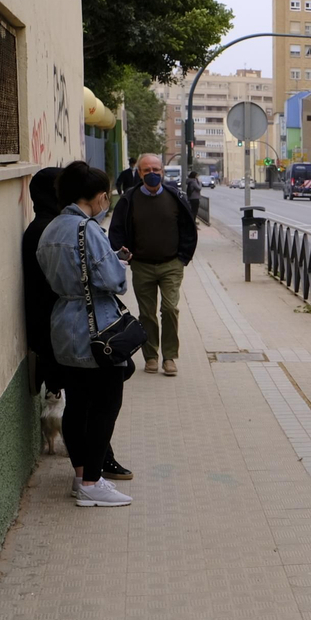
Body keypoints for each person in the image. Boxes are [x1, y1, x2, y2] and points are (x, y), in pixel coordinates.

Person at [23, 167, 133, 481]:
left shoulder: (50, 229)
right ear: (99, 196)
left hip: (63, 325)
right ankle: (92, 482)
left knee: (78, 404)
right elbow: (113, 280)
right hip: (93, 326)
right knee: (105, 406)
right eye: (106, 195)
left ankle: (81, 475)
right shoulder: (88, 229)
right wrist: (118, 263)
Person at [107, 153, 197, 376]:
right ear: (139, 173)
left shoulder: (175, 196)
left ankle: (169, 357)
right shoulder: (129, 199)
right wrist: (123, 252)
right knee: (146, 314)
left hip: (171, 265)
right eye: (147, 170)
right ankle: (151, 357)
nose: (152, 174)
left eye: (156, 170)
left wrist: (183, 257)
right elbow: (116, 230)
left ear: (163, 172)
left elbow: (188, 228)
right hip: (142, 266)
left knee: (169, 309)